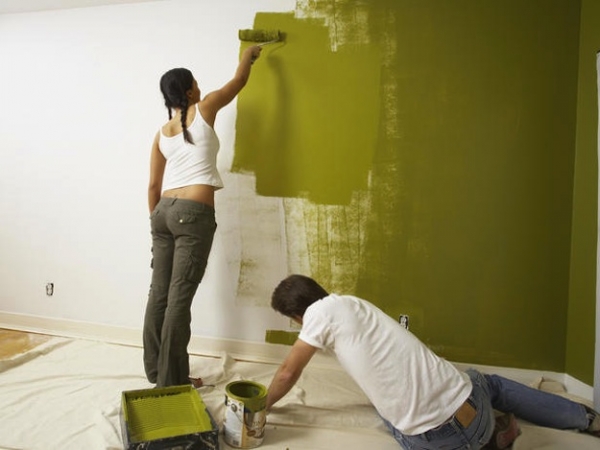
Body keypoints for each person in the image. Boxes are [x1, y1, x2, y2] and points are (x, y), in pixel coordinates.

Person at [266, 274, 600, 449]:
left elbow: (286, 373)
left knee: (389, 416)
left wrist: (262, 406)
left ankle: (488, 443)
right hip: (476, 413)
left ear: (296, 315)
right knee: (490, 384)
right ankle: (585, 419)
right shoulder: (351, 303)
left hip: (439, 442)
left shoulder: (318, 313)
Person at [143, 45, 263, 388]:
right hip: (192, 215)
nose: (200, 86)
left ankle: (156, 371)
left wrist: (158, 225)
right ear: (188, 91)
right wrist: (249, 55)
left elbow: (153, 186)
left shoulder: (161, 133)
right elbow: (239, 81)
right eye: (195, 82)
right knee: (179, 299)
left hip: (162, 213)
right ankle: (173, 381)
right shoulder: (205, 107)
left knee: (159, 294)